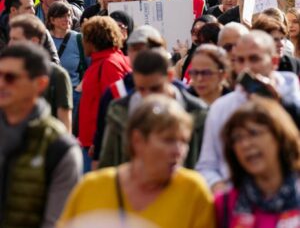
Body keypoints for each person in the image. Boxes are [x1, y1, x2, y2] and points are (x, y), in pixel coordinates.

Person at [59, 95, 216, 228]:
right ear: (137, 140)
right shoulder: (91, 188)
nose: (179, 151)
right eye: (168, 140)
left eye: (183, 142)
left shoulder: (194, 192)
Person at [196, 31, 300, 192]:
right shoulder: (221, 108)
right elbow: (207, 166)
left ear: (274, 61)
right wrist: (222, 189)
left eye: (254, 59)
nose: (246, 67)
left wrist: (282, 104)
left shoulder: (294, 101)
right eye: (240, 60)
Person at [0, 43, 82, 228]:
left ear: (40, 84)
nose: (1, 83)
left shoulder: (59, 147)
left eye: (10, 78)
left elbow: (57, 222)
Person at [99, 48, 207, 170]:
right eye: (141, 89)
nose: (148, 96)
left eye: (155, 88)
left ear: (170, 77)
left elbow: (206, 165)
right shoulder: (119, 111)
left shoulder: (198, 113)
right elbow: (107, 164)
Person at [215, 98, 300, 227]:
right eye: (237, 138)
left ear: (279, 136)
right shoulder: (224, 204)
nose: (245, 144)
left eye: (254, 133)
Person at [78, 16, 131, 171]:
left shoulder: (109, 64)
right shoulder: (110, 60)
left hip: (97, 148)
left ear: (93, 40)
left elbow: (116, 106)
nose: (83, 43)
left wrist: (100, 142)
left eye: (84, 38)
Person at [9, 14, 73, 132]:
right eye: (10, 39)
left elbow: (65, 124)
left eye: (16, 39)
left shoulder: (57, 75)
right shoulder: (6, 74)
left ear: (34, 41)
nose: (10, 45)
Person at [47, 1, 86, 119]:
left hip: (73, 95)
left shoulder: (80, 39)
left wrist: (78, 91)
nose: (67, 19)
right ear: (52, 20)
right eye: (61, 16)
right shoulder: (44, 38)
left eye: (68, 15)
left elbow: (91, 67)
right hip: (49, 96)